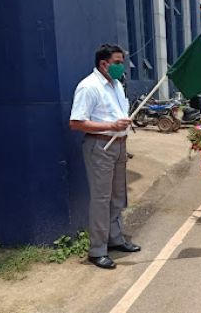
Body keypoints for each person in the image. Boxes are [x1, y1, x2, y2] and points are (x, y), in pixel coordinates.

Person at [69, 44, 141, 270]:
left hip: (119, 145)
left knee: (118, 196)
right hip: (100, 146)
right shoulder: (88, 87)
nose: (122, 67)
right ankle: (97, 250)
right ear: (104, 63)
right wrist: (111, 125)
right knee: (101, 199)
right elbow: (76, 122)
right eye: (118, 62)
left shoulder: (117, 85)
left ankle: (116, 239)